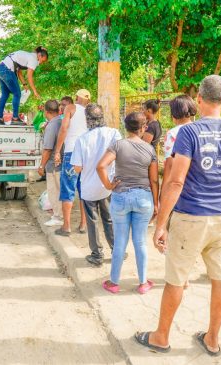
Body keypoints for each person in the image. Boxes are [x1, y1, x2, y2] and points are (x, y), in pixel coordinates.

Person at [135, 75, 221, 356]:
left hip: (190, 217)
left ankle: (161, 337)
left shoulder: (189, 133)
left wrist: (161, 224)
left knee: (175, 279)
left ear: (198, 99)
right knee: (220, 278)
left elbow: (175, 181)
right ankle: (212, 339)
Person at [97, 112, 159, 294]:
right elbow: (154, 180)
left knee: (120, 242)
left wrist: (109, 185)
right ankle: (142, 283)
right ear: (144, 128)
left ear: (126, 126)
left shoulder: (118, 145)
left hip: (121, 197)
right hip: (143, 198)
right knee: (140, 242)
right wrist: (156, 203)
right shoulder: (150, 149)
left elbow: (101, 166)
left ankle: (114, 282)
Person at [71, 103, 122, 266]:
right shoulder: (114, 133)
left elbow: (77, 168)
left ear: (87, 120)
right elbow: (120, 155)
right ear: (102, 118)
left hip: (89, 188)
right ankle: (116, 250)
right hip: (108, 185)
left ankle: (96, 254)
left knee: (92, 222)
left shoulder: (82, 140)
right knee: (109, 219)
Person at [53, 89, 90, 236]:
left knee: (68, 188)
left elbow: (64, 128)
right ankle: (83, 225)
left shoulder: (71, 108)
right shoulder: (90, 111)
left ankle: (66, 226)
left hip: (71, 152)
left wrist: (57, 151)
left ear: (76, 97)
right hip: (87, 154)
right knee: (84, 190)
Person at [0, 46, 48, 125]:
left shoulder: (27, 55)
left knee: (5, 95)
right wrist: (35, 91)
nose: (41, 63)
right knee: (17, 94)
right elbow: (29, 76)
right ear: (40, 55)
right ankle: (15, 118)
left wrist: (24, 84)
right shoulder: (33, 59)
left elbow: (19, 72)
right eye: (42, 60)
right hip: (7, 70)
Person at [161, 95, 197, 190]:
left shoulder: (172, 133)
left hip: (181, 185)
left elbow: (170, 165)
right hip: (198, 184)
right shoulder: (199, 129)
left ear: (173, 113)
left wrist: (164, 191)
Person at [38, 100, 63, 226]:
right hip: (61, 163)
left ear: (46, 111)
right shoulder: (61, 121)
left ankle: (58, 217)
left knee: (54, 191)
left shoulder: (52, 125)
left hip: (53, 164)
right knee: (60, 190)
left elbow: (47, 149)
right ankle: (59, 215)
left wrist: (41, 165)